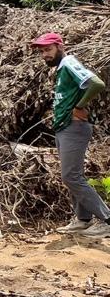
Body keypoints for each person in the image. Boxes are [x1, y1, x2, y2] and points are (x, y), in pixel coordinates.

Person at [28, 33, 110, 238]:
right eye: (42, 52)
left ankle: (107, 220)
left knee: (70, 176)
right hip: (65, 127)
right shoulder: (61, 69)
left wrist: (79, 106)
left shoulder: (68, 62)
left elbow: (97, 84)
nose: (44, 55)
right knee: (72, 176)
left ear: (59, 46)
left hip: (74, 126)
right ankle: (83, 220)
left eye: (48, 49)